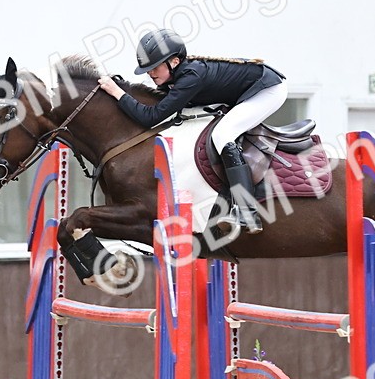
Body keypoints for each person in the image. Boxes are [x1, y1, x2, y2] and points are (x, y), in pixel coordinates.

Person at [97, 29, 287, 235]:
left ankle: (247, 211)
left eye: (155, 67)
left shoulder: (190, 77)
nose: (151, 74)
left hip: (267, 90)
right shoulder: (180, 75)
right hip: (246, 90)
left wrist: (117, 92)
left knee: (223, 134)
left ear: (175, 62)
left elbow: (149, 117)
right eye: (148, 69)